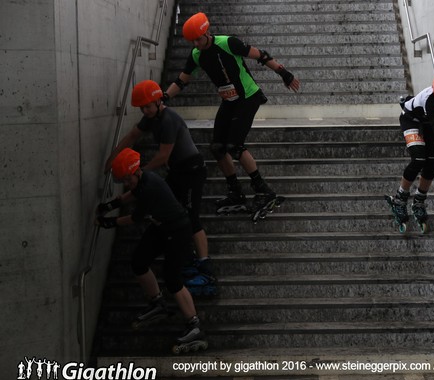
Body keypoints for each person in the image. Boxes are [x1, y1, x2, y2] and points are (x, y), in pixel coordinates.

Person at [163, 12, 300, 214]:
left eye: (198, 39)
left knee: (235, 146)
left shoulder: (228, 43)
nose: (195, 44)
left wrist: (284, 73)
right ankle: (235, 191)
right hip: (229, 101)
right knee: (218, 147)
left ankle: (264, 191)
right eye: (191, 41)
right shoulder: (196, 54)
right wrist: (163, 98)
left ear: (207, 32)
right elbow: (182, 81)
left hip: (248, 97)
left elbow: (261, 55)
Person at [104, 80, 214, 289]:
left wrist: (139, 171)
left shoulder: (168, 120)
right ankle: (186, 255)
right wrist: (112, 157)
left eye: (147, 106)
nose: (144, 111)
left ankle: (204, 264)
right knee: (169, 208)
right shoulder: (151, 117)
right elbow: (132, 136)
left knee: (191, 216)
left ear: (157, 102)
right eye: (141, 108)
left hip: (192, 171)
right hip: (176, 172)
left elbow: (163, 156)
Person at [96, 148, 206, 348]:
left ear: (136, 172)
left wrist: (108, 223)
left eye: (128, 180)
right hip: (161, 226)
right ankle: (157, 303)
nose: (127, 184)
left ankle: (194, 325)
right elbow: (132, 193)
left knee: (172, 278)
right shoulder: (142, 178)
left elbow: (134, 218)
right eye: (124, 181)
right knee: (139, 262)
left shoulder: (150, 187)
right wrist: (112, 204)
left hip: (178, 230)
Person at [387, 68, 434, 231]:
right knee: (419, 159)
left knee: (430, 163)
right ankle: (399, 199)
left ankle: (419, 201)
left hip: (428, 121)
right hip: (411, 119)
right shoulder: (430, 102)